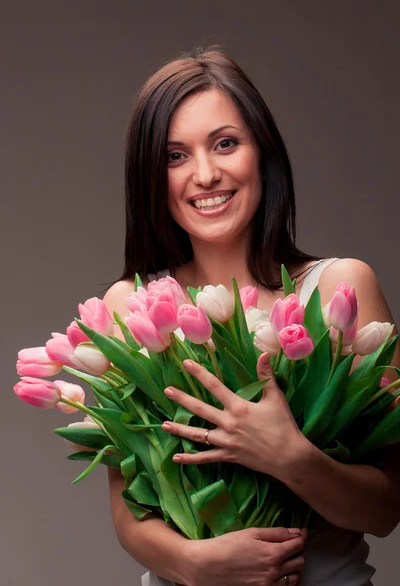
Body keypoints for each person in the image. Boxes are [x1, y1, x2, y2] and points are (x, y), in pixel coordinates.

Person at [102, 46, 400, 586]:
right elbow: (129, 515)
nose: (206, 174)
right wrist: (197, 564)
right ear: (150, 174)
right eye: (175, 156)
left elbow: (387, 509)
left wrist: (289, 457)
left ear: (262, 152)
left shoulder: (339, 289)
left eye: (225, 144)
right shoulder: (132, 306)